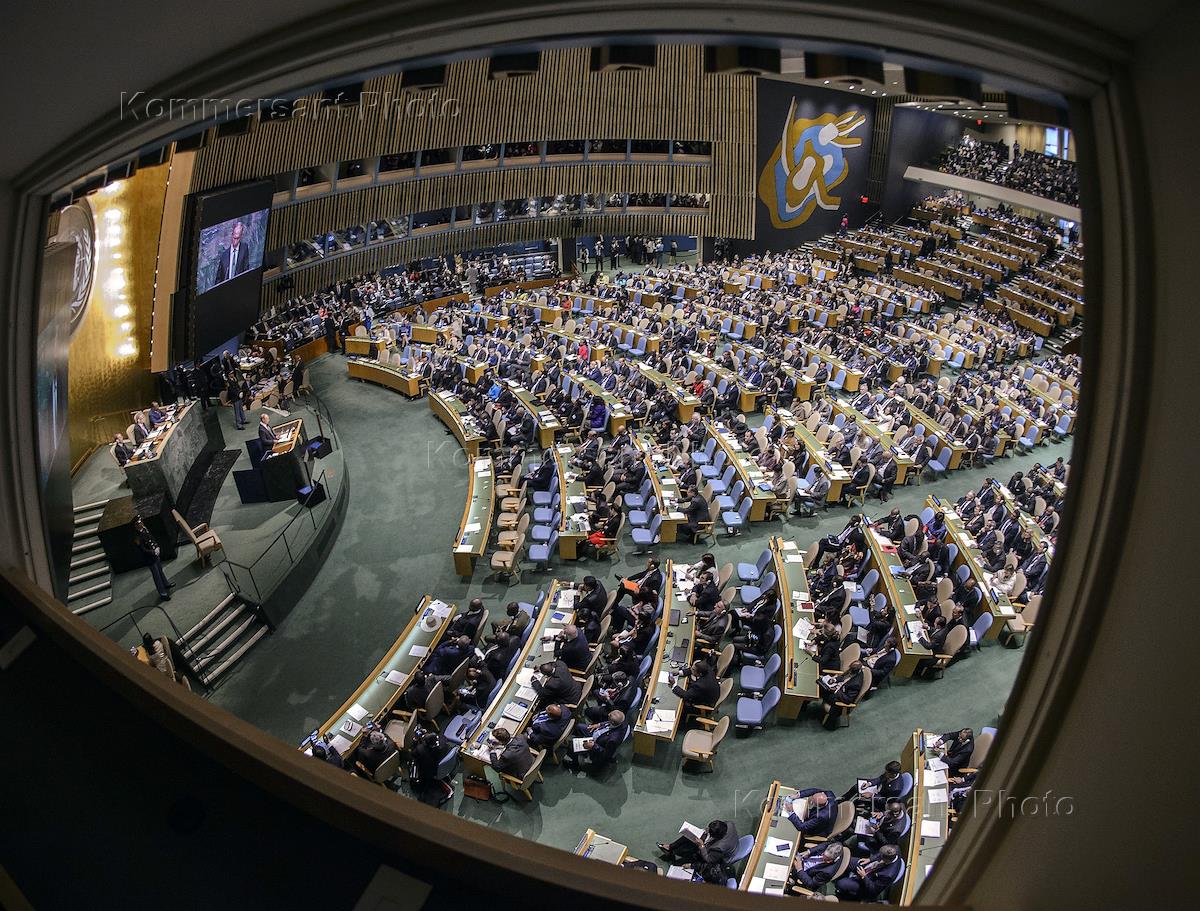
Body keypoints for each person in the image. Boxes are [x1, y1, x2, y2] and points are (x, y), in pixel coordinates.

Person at [656, 819, 739, 884]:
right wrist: (707, 831)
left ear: (715, 837)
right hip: (730, 843)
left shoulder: (718, 847)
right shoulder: (729, 824)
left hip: (724, 857)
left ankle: (686, 859)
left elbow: (708, 859)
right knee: (692, 835)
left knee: (698, 850)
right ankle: (670, 847)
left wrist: (701, 846)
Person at [833, 844, 902, 901]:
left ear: (886, 860)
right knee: (849, 861)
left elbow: (873, 890)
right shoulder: (895, 849)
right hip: (871, 867)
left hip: (867, 883)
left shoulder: (887, 875)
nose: (879, 856)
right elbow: (880, 854)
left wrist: (863, 876)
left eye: (881, 857)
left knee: (840, 883)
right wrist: (870, 859)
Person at [131, 516, 173, 601]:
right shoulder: (137, 537)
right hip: (150, 558)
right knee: (156, 576)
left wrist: (156, 547)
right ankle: (163, 593)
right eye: (139, 523)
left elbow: (152, 539)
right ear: (136, 525)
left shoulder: (145, 529)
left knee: (160, 570)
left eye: (141, 522)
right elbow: (143, 550)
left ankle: (166, 584)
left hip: (155, 554)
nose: (141, 523)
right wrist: (153, 552)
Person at [669, 659, 720, 725]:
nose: (691, 669)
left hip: (704, 705)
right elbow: (693, 669)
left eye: (693, 669)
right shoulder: (706, 668)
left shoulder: (700, 685)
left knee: (679, 706)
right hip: (710, 695)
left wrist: (674, 685)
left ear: (700, 674)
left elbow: (686, 695)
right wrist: (679, 672)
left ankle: (682, 724)